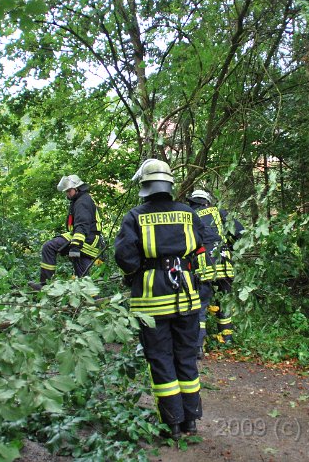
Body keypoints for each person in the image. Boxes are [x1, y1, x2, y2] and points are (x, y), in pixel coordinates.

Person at [114, 159, 215, 440]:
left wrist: (137, 272)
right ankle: (191, 421)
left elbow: (124, 256)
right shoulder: (188, 213)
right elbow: (203, 246)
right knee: (185, 357)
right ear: (169, 184)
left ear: (145, 186)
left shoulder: (135, 216)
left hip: (151, 300)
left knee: (160, 358)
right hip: (187, 297)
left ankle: (171, 422)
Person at [187, 189, 245, 358]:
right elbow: (241, 234)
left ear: (194, 203)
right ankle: (227, 341)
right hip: (224, 266)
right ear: (207, 202)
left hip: (202, 269)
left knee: (201, 307)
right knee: (225, 304)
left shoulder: (190, 217)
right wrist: (231, 248)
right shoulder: (220, 213)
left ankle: (198, 346)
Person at [38, 174, 104, 288]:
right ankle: (90, 300)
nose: (67, 194)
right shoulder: (80, 199)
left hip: (86, 240)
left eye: (69, 191)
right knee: (82, 279)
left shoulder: (82, 202)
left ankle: (45, 285)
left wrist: (75, 246)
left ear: (77, 188)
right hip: (86, 239)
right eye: (66, 191)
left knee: (49, 247)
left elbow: (82, 225)